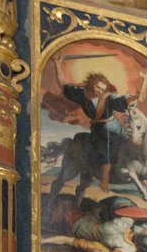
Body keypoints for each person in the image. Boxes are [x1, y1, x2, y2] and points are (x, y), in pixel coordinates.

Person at [50, 59, 137, 202]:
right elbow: (63, 84)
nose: (100, 91)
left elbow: (120, 100)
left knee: (131, 145)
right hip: (100, 130)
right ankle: (104, 179)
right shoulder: (81, 95)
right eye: (98, 88)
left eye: (103, 89)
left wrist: (131, 99)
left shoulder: (107, 98)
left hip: (116, 127)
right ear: (91, 84)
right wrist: (57, 64)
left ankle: (141, 175)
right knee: (105, 149)